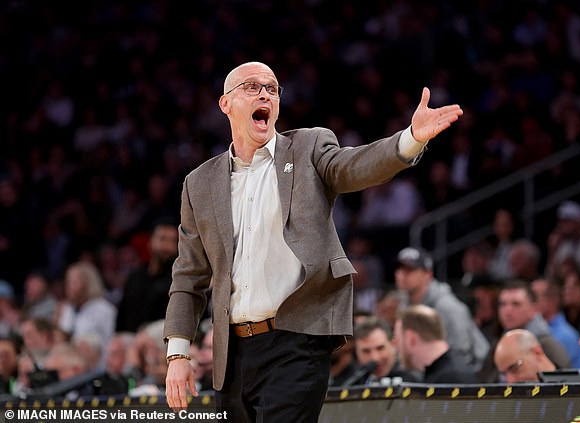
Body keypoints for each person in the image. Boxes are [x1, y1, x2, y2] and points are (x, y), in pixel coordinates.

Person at [163, 61, 463, 420]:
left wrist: (410, 138)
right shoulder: (199, 183)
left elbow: (354, 166)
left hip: (297, 340)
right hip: (231, 354)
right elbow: (188, 276)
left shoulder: (308, 147)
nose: (264, 94)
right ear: (225, 104)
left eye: (272, 89)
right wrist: (178, 354)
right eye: (252, 87)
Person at [394, 246, 489, 372]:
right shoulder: (405, 304)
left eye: (409, 270)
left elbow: (461, 353)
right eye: (399, 269)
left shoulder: (447, 306)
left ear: (427, 274)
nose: (402, 275)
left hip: (473, 373)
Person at [116, 219, 179, 332]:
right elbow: (122, 315)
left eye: (172, 241)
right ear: (150, 242)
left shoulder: (179, 280)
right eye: (162, 239)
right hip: (130, 338)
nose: (166, 246)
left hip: (162, 339)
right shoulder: (135, 276)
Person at [394, 304, 478, 383]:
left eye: (398, 340)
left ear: (411, 339)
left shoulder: (448, 379)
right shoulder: (452, 370)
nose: (396, 348)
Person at [530, 277, 580, 370]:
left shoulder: (565, 335)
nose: (531, 303)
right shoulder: (536, 329)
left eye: (534, 298)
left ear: (552, 301)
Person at [352, 317, 419, 385]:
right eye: (366, 351)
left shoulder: (414, 381)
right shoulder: (352, 381)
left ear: (394, 345)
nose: (375, 358)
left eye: (380, 348)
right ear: (356, 353)